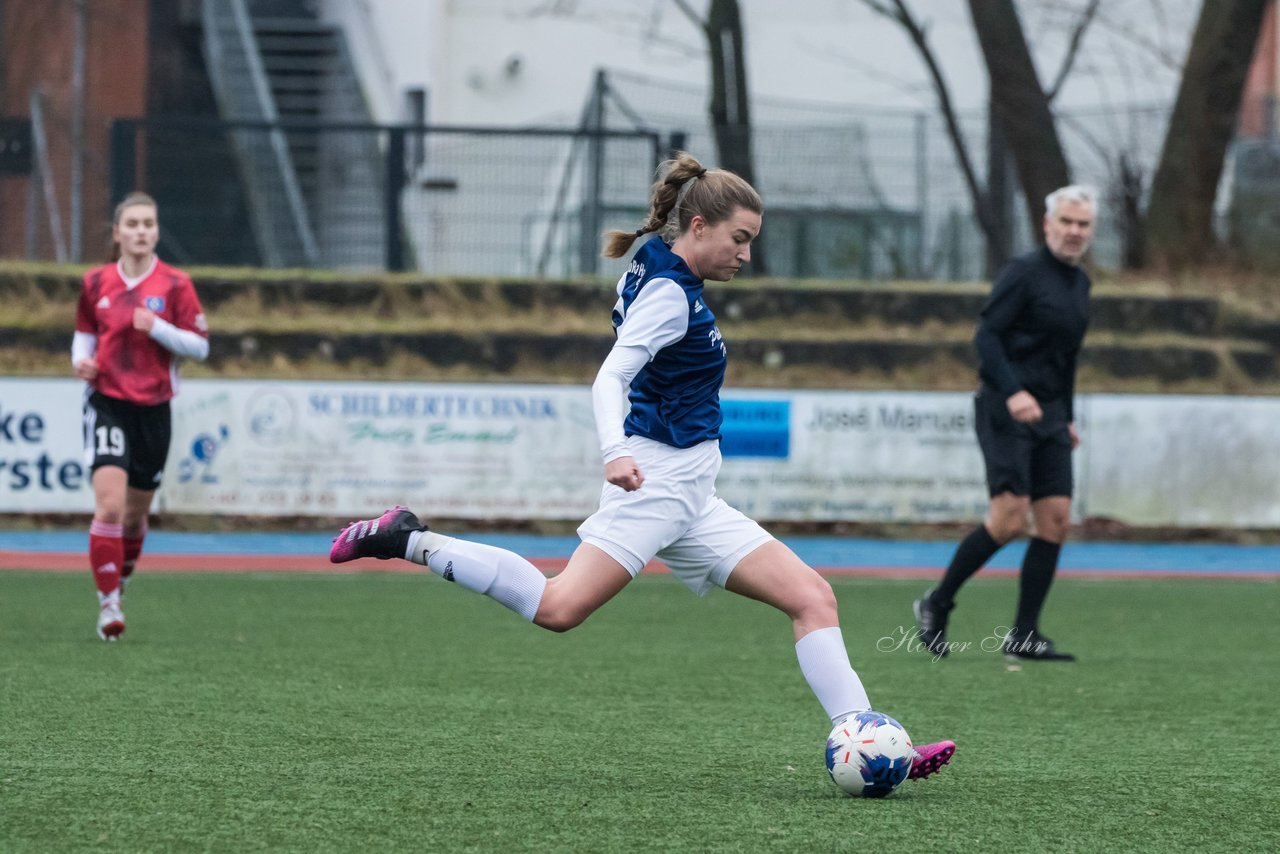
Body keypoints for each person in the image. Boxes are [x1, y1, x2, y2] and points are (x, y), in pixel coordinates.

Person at [330, 152, 955, 784]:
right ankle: (407, 536)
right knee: (557, 607)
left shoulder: (657, 271)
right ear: (700, 227)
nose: (745, 254)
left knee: (812, 598)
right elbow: (611, 377)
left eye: (751, 242)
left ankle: (871, 739)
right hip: (655, 483)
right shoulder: (668, 295)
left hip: (691, 493)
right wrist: (615, 453)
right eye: (739, 239)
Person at [913, 185, 1097, 662]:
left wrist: (1069, 417)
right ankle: (937, 602)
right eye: (1067, 222)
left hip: (1052, 415)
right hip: (1004, 408)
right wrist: (1014, 392)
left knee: (1055, 521)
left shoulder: (1081, 286)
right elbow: (987, 337)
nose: (1075, 232)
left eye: (1083, 224)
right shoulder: (1023, 272)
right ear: (1047, 223)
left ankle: (1025, 634)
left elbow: (1067, 360)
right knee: (1010, 518)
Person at [73, 192, 210, 640]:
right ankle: (108, 603)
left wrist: (161, 329)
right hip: (108, 402)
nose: (140, 231)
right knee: (109, 505)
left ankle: (121, 578)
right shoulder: (96, 282)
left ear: (156, 231)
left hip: (154, 409)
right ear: (118, 233)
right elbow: (84, 335)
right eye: (131, 224)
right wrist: (82, 362)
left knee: (133, 517)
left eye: (148, 223)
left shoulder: (175, 284)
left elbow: (201, 346)